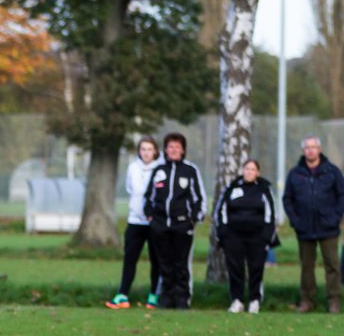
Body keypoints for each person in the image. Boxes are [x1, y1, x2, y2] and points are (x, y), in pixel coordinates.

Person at [282, 135, 344, 313]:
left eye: (314, 147)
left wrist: (335, 217)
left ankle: (334, 301)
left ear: (320, 149)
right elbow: (287, 199)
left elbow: (342, 195)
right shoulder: (295, 174)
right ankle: (307, 300)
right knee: (307, 267)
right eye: (307, 147)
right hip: (305, 228)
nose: (310, 150)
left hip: (328, 227)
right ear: (303, 151)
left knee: (332, 265)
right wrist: (295, 220)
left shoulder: (332, 171)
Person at [144, 132, 206, 310]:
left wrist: (193, 219)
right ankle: (166, 298)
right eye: (170, 147)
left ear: (183, 150)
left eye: (177, 147)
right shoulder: (159, 171)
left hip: (182, 225)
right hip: (161, 225)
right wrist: (151, 216)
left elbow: (198, 197)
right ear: (165, 149)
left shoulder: (190, 170)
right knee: (164, 263)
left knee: (181, 263)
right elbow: (150, 196)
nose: (173, 150)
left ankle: (182, 299)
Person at [214, 158, 277, 314]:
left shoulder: (264, 189)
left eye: (253, 169)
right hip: (234, 236)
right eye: (247, 169)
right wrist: (223, 234)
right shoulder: (232, 187)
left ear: (258, 172)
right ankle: (237, 300)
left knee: (256, 268)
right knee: (235, 268)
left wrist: (267, 236)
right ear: (243, 171)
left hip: (257, 236)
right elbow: (221, 211)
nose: (249, 172)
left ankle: (255, 300)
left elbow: (271, 214)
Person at [107, 136, 163, 309]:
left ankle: (154, 295)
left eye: (149, 149)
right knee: (130, 259)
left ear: (155, 151)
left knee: (156, 261)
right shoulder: (133, 167)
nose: (146, 153)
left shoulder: (161, 169)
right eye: (143, 149)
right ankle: (122, 295)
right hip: (135, 221)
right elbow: (130, 189)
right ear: (139, 151)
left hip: (153, 223)